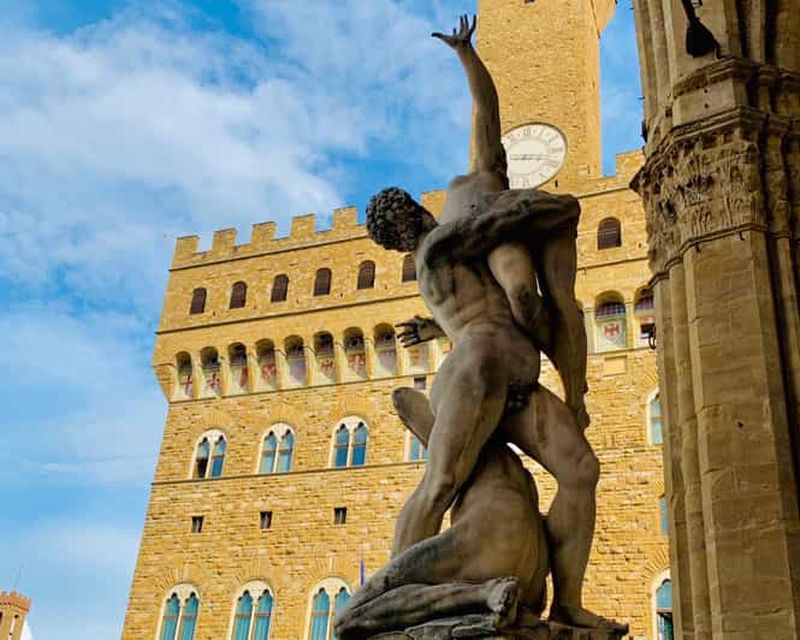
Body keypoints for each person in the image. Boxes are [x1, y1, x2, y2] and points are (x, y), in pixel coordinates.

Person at [365, 184, 625, 633]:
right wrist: (559, 206)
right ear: (411, 216)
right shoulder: (441, 243)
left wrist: (433, 328)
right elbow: (498, 222)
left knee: (581, 471)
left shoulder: (447, 260)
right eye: (409, 211)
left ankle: (567, 603)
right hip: (478, 370)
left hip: (514, 379)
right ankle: (387, 600)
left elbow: (476, 303)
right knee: (442, 482)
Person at [431, 15, 589, 429]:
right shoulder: (439, 232)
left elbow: (487, 106)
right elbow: (470, 304)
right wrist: (434, 327)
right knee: (517, 298)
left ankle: (574, 391)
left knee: (534, 293)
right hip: (481, 251)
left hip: (514, 228)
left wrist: (466, 54)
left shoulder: (484, 171)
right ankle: (523, 364)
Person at [334, 387, 549, 639]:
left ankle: (484, 593)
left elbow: (403, 399)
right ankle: (487, 595)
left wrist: (442, 408)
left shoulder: (465, 439)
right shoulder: (517, 469)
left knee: (348, 619)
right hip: (533, 575)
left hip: (490, 544)